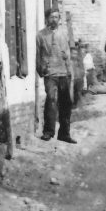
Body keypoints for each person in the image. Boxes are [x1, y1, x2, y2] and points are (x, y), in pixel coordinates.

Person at [36, 9, 76, 143]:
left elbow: (68, 54)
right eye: (51, 17)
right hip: (50, 73)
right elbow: (38, 54)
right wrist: (41, 69)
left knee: (66, 103)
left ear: (59, 19)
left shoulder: (63, 34)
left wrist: (69, 71)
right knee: (51, 100)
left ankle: (64, 134)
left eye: (56, 17)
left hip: (63, 72)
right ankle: (48, 131)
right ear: (47, 19)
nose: (54, 20)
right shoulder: (41, 35)